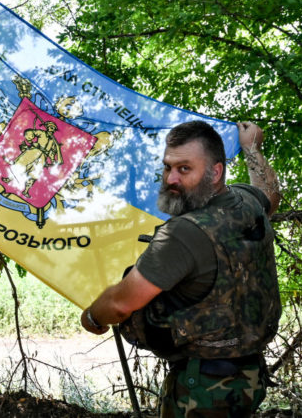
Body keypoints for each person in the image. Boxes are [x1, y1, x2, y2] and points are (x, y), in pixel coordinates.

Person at [80, 120, 282, 417]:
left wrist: (92, 316)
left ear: (215, 172)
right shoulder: (245, 204)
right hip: (248, 380)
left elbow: (121, 304)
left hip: (201, 389)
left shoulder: (184, 234)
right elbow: (270, 194)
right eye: (167, 167)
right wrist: (252, 148)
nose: (171, 179)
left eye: (184, 169)